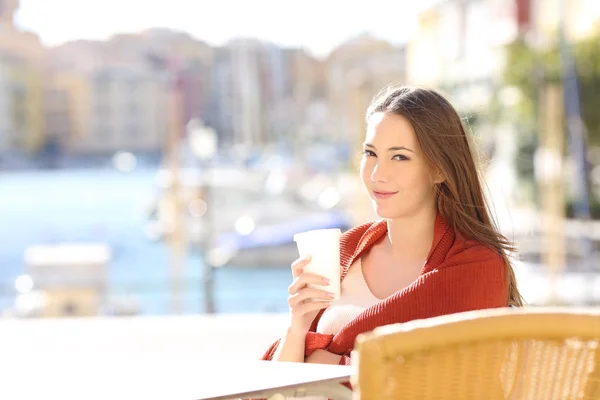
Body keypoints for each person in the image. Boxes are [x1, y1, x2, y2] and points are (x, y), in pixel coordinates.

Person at [262, 85, 523, 367]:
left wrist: (327, 361)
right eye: (371, 153)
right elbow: (279, 386)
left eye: (399, 156)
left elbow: (452, 380)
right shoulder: (342, 253)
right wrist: (297, 328)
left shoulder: (476, 267)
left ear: (439, 169)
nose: (377, 173)